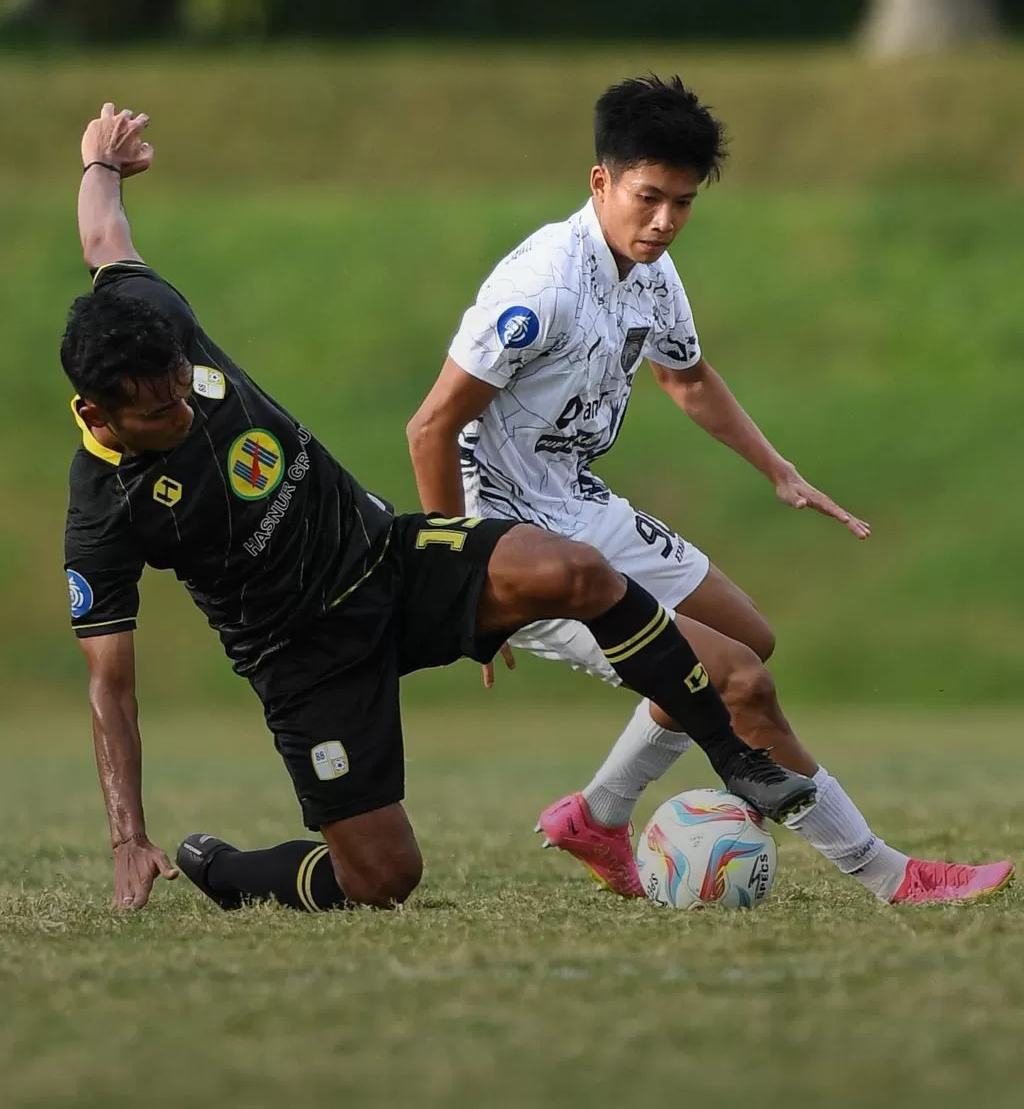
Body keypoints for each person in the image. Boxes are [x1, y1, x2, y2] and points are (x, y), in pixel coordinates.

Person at [62, 104, 815, 915]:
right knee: (382, 878)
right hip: (306, 653)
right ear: (100, 416)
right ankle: (234, 873)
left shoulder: (149, 319)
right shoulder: (106, 514)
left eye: (187, 386)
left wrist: (100, 163)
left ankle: (731, 754)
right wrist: (125, 834)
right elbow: (111, 686)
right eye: (161, 413)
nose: (187, 411)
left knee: (576, 570)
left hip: (383, 555)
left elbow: (106, 239)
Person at [406, 75, 1014, 907]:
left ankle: (599, 814)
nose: (664, 221)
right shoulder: (540, 289)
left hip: (577, 500)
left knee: (747, 638)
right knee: (736, 682)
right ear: (601, 181)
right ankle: (890, 875)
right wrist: (462, 578)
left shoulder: (651, 273)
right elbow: (431, 427)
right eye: (648, 198)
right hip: (513, 538)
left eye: (682, 203)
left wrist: (780, 472)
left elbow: (686, 378)